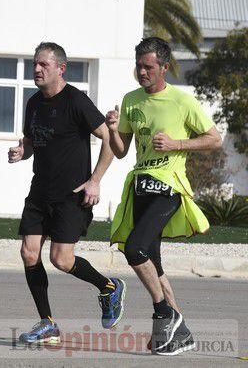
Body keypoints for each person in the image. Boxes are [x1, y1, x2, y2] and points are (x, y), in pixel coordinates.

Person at [106, 37, 222, 356]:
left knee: (135, 248)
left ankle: (163, 313)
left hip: (169, 187)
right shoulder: (131, 100)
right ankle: (180, 333)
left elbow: (214, 139)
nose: (141, 72)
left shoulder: (182, 101)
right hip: (141, 187)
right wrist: (114, 129)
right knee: (153, 264)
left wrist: (177, 144)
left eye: (148, 66)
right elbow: (120, 152)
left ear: (164, 68)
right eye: (139, 66)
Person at [8, 42, 124, 345]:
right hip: (39, 193)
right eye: (35, 64)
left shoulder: (76, 101)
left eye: (43, 64)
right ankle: (47, 323)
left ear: (61, 68)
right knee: (28, 253)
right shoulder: (33, 103)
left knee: (61, 259)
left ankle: (109, 286)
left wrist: (95, 180)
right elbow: (32, 140)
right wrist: (24, 150)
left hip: (71, 196)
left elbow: (109, 139)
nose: (36, 69)